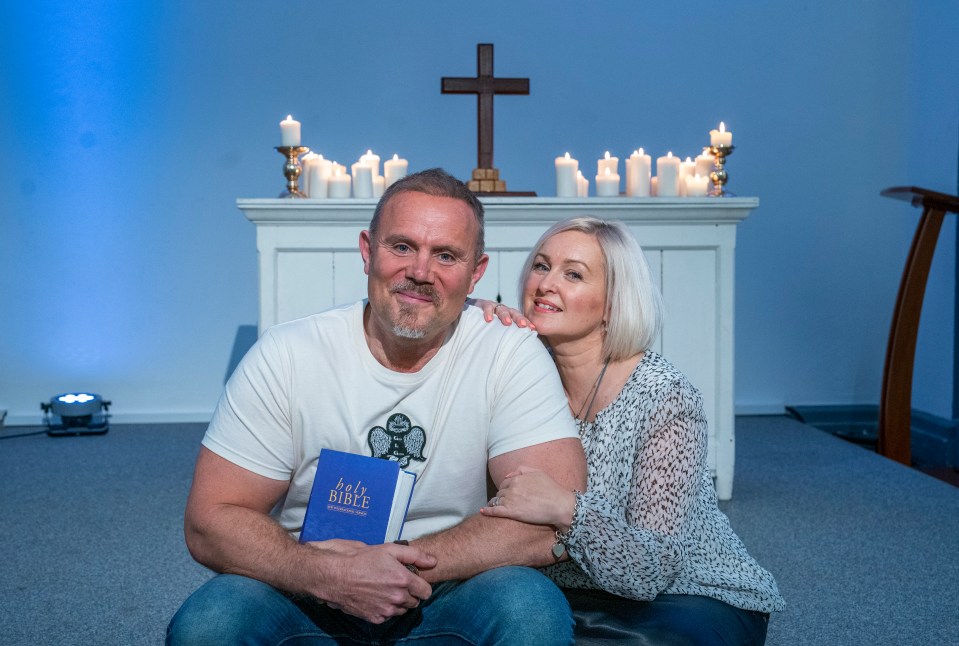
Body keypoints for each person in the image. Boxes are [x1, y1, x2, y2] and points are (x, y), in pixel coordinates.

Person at [167, 169, 587, 645]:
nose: (420, 272)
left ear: (476, 272)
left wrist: (396, 563)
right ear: (368, 251)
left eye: (445, 255)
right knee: (209, 622)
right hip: (307, 586)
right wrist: (328, 574)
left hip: (451, 588)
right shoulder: (288, 353)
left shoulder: (508, 351)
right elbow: (210, 520)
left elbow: (552, 523)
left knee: (529, 606)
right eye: (402, 246)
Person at [478, 216, 785, 645]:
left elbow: (651, 569)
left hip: (685, 597)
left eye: (573, 274)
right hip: (567, 591)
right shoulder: (515, 370)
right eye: (541, 266)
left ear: (612, 302)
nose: (546, 283)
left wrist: (568, 508)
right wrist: (475, 322)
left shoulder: (665, 397)